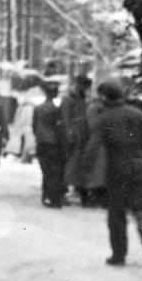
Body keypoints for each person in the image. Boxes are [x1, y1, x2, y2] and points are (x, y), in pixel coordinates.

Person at [86, 78, 142, 268]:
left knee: (116, 214)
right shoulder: (138, 114)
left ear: (104, 98)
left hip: (118, 171)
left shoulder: (104, 118)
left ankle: (119, 255)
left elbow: (93, 147)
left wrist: (86, 169)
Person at [32, 81, 67, 207]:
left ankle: (46, 195)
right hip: (53, 143)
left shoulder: (38, 109)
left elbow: (34, 127)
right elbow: (60, 128)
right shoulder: (56, 110)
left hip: (41, 142)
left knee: (45, 170)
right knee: (54, 171)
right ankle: (54, 198)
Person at [61, 75, 94, 206]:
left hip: (83, 136)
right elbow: (65, 118)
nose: (86, 90)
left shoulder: (82, 98)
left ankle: (80, 192)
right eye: (85, 87)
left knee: (79, 165)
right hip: (73, 136)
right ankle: (62, 191)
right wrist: (69, 134)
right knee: (68, 164)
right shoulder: (68, 98)